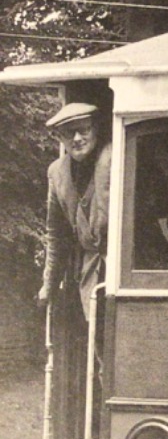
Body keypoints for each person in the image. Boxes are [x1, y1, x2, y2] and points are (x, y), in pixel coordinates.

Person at [37, 102, 112, 321]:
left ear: (95, 129)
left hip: (124, 269)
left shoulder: (116, 157)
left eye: (84, 130)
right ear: (60, 137)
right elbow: (56, 235)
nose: (77, 138)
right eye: (69, 133)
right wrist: (48, 285)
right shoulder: (57, 172)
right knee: (94, 337)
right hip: (90, 274)